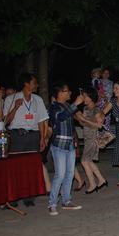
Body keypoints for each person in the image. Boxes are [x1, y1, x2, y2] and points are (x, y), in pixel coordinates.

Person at [47, 83, 84, 215]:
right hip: (59, 145)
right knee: (60, 175)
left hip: (69, 144)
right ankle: (52, 203)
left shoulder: (68, 106)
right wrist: (76, 104)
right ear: (59, 93)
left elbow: (75, 121)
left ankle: (66, 201)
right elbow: (60, 118)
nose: (70, 93)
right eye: (66, 91)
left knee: (69, 174)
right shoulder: (53, 107)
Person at [3, 72, 49, 154]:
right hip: (17, 137)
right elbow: (6, 121)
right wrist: (15, 108)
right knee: (17, 161)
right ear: (26, 84)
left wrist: (42, 138)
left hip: (34, 137)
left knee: (33, 161)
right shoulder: (10, 99)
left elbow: (41, 121)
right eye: (35, 83)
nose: (37, 85)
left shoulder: (38, 99)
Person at [74, 87, 107, 193]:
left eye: (85, 96)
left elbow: (98, 125)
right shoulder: (85, 108)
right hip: (87, 138)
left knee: (84, 161)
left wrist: (84, 119)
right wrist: (78, 117)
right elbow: (83, 124)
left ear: (91, 97)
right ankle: (101, 180)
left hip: (93, 138)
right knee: (89, 161)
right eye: (83, 96)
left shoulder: (96, 109)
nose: (83, 99)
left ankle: (92, 184)